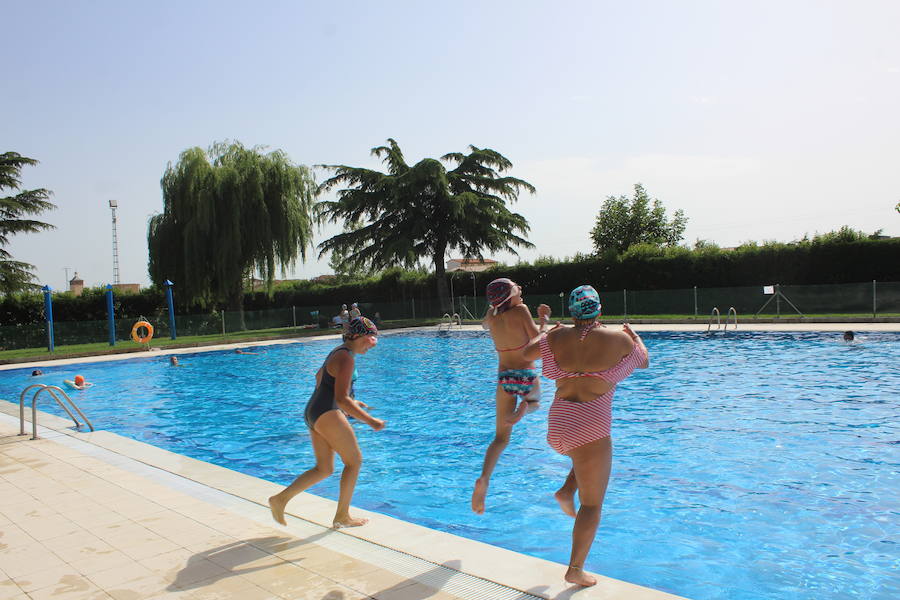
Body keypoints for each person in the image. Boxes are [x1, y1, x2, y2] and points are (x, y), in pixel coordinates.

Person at [522, 285, 648, 587]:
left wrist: (548, 332)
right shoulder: (618, 339)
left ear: (572, 312)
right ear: (599, 311)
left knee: (583, 458)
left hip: (558, 425)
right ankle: (575, 569)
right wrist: (635, 336)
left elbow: (527, 352)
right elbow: (643, 360)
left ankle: (567, 490)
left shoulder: (555, 337)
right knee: (591, 505)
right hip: (589, 427)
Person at [268, 316, 385, 529]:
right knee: (354, 462)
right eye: (369, 341)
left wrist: (347, 401)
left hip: (314, 410)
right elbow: (341, 399)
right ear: (358, 337)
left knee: (324, 468)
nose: (370, 346)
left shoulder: (337, 352)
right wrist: (370, 421)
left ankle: (280, 500)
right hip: (327, 412)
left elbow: (319, 378)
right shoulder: (347, 358)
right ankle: (342, 516)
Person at [471, 278, 551, 515]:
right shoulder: (521, 311)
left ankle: (484, 478)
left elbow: (486, 322)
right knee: (537, 398)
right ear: (510, 296)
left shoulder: (493, 319)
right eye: (518, 288)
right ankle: (527, 405)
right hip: (526, 374)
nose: (522, 290)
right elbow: (537, 341)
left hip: (504, 378)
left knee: (500, 438)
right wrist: (544, 321)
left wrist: (494, 307)